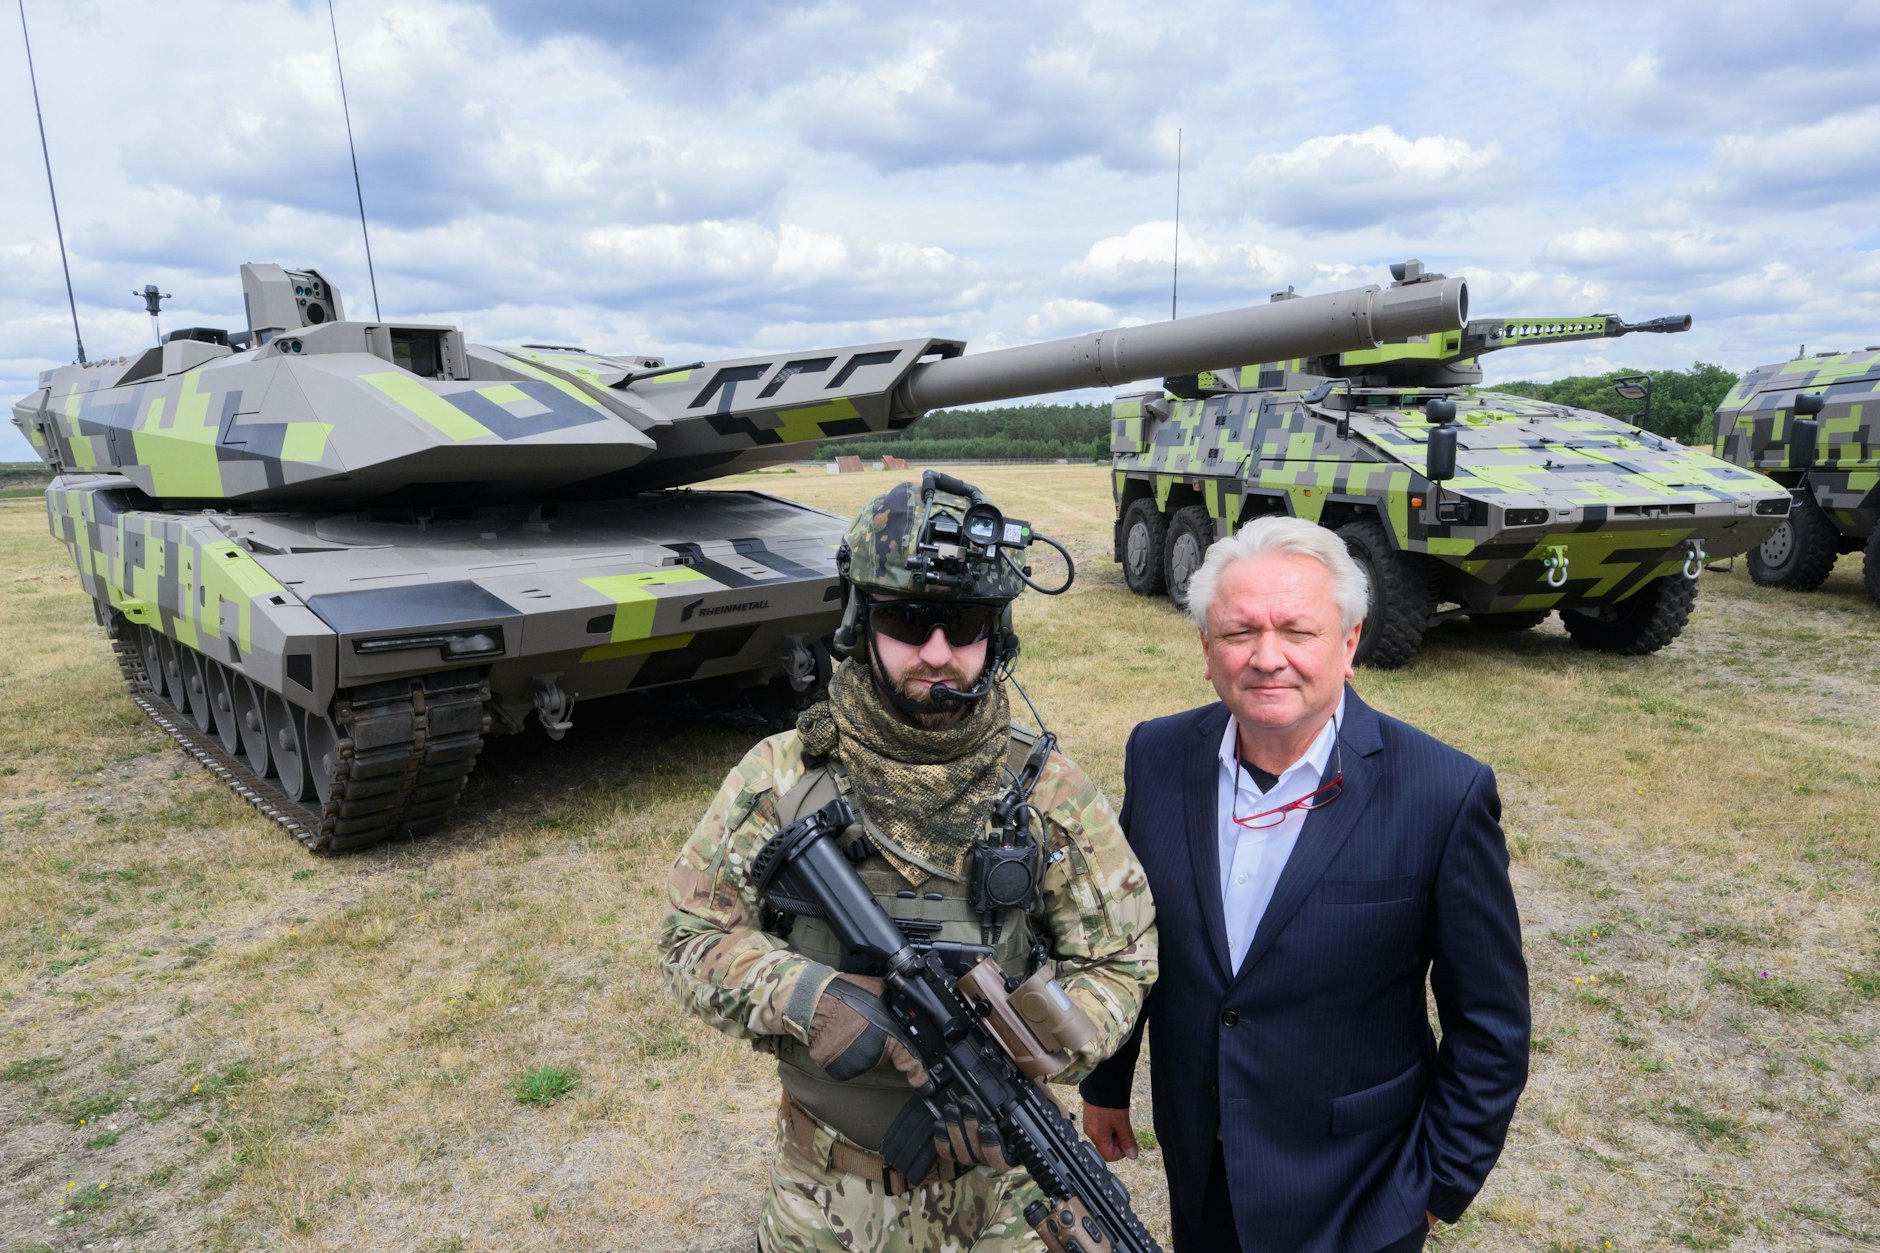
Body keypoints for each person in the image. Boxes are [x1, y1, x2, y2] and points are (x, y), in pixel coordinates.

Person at [660, 476, 1157, 1252]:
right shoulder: (782, 777)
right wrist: (808, 996)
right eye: (907, 619)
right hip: (827, 1198)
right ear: (861, 621)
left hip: (1005, 1201)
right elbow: (692, 934)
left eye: (963, 625)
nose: (937, 652)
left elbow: (1123, 956)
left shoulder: (1048, 789)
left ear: (998, 632)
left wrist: (1028, 1043)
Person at [1079, 515, 1530, 1253]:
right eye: (1238, 632)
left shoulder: (1442, 793)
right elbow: (1130, 938)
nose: (1267, 657)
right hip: (1205, 1166)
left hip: (1357, 1192)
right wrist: (1106, 1083)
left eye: (1297, 630)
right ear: (1205, 649)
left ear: (1348, 644)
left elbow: (1492, 1026)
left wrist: (1435, 1188)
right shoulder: (1157, 757)